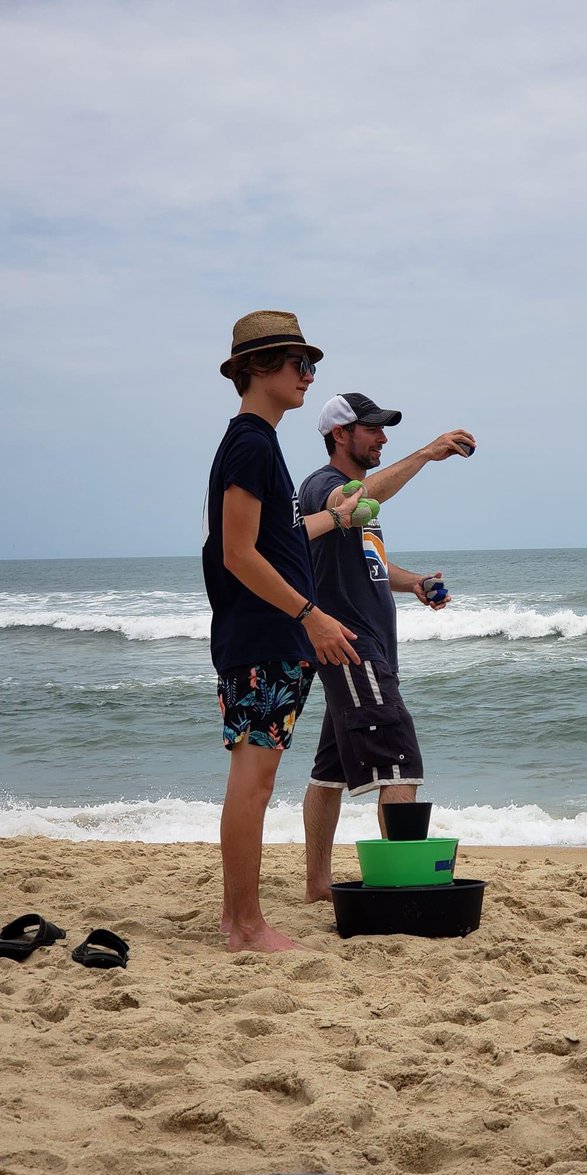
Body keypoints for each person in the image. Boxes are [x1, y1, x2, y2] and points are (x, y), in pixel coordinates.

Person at [202, 311, 364, 953]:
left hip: (269, 635)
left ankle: (237, 919)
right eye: (299, 364)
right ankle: (244, 925)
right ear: (258, 368)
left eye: (310, 364)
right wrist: (310, 613)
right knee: (255, 778)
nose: (309, 375)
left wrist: (333, 520)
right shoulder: (249, 442)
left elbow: (277, 537)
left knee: (256, 775)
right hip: (266, 635)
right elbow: (236, 552)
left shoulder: (259, 443)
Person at [298, 392, 476, 901]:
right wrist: (424, 454)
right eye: (372, 429)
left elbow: (372, 564)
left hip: (361, 646)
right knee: (401, 762)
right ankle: (404, 888)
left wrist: (414, 582)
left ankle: (317, 886)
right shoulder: (324, 486)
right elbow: (342, 506)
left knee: (330, 773)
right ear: (341, 434)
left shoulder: (359, 500)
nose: (383, 438)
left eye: (383, 430)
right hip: (354, 647)